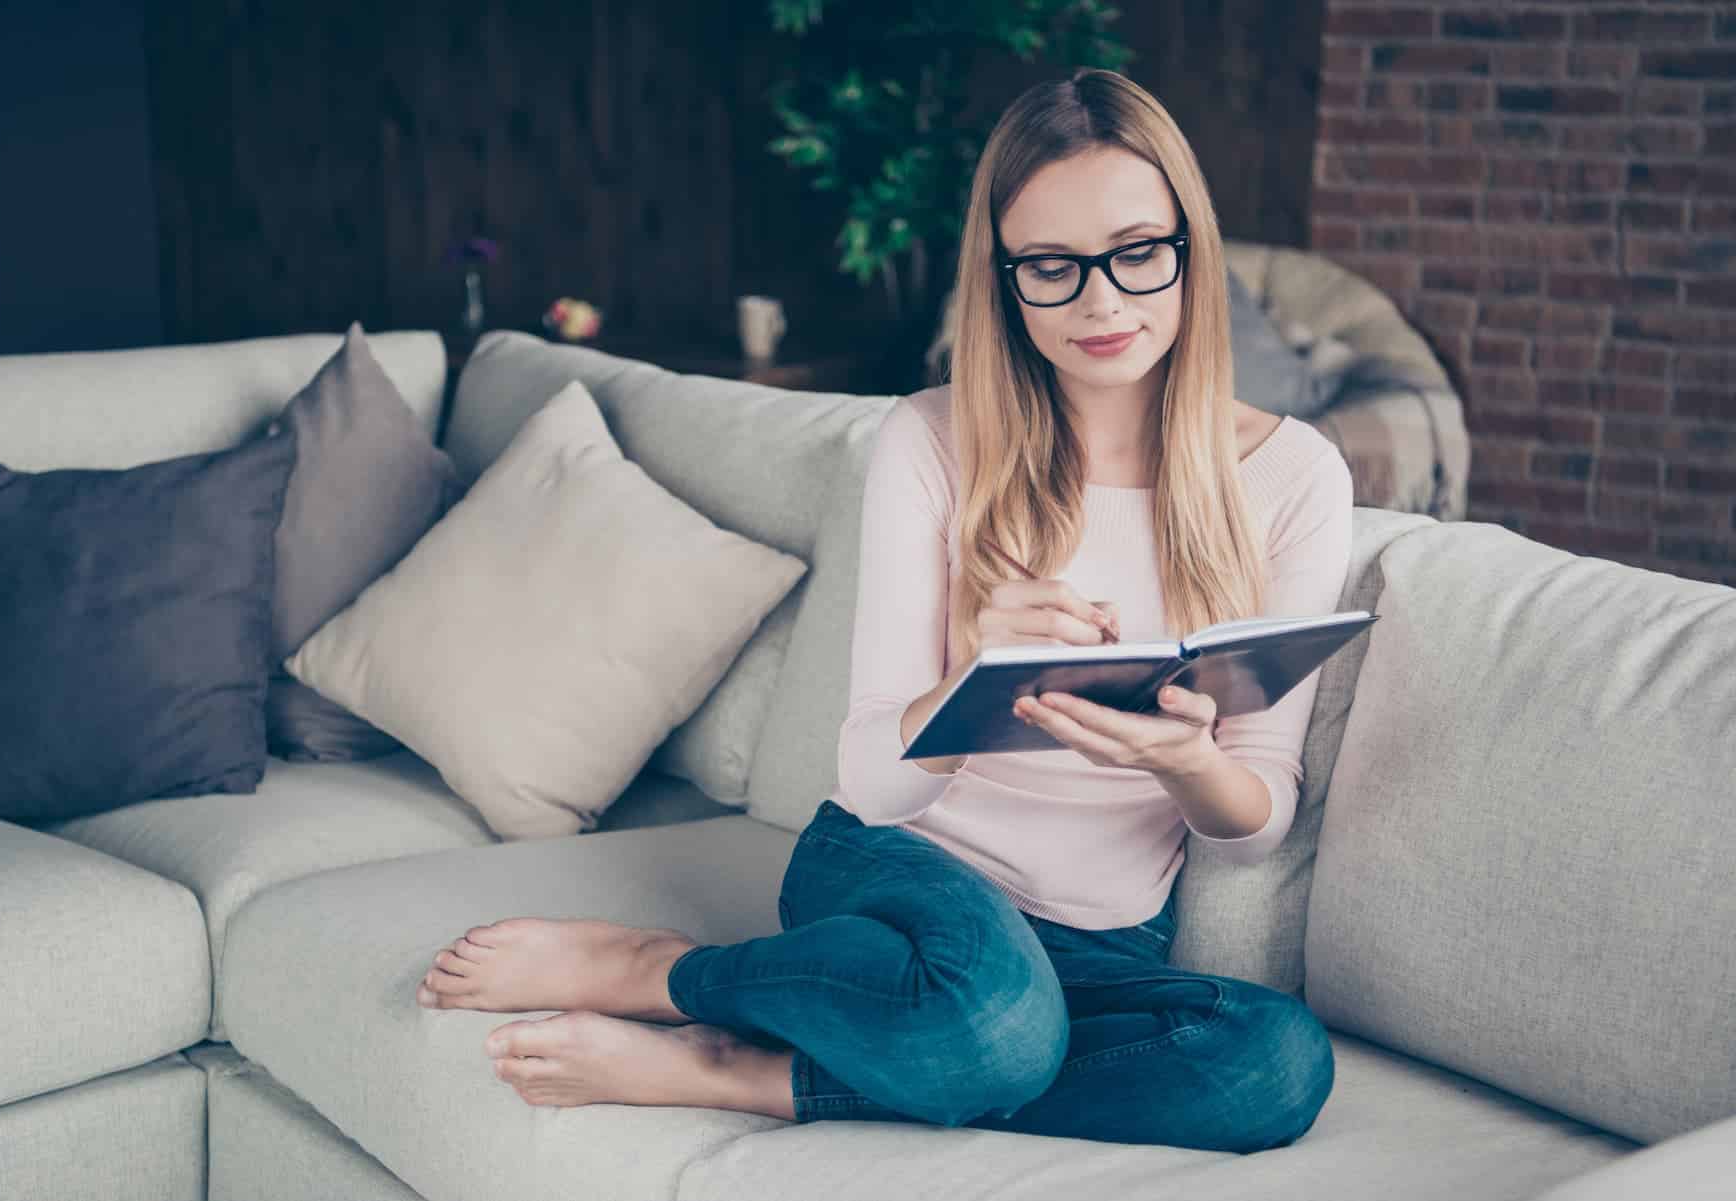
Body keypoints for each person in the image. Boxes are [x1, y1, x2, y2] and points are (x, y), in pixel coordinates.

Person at [415, 67, 1350, 1152]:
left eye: (1138, 252)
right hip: (897, 869)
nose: (1102, 302)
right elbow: (872, 779)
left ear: (1193, 247)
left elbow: (1255, 823)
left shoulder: (1293, 478)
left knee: (1272, 1067)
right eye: (1051, 266)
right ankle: (664, 977)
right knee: (995, 1025)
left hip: (1103, 937)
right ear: (1003, 280)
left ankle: (767, 1066)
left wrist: (1184, 759)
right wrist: (971, 678)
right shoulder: (931, 440)